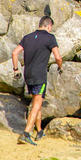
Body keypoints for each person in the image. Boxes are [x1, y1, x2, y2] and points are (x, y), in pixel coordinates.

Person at [12, 15, 63, 146]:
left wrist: (16, 69)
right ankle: (26, 133)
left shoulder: (28, 37)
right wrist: (60, 66)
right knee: (36, 104)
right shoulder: (50, 38)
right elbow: (58, 57)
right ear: (49, 26)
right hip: (39, 75)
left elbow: (14, 53)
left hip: (28, 74)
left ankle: (39, 131)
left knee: (37, 100)